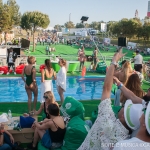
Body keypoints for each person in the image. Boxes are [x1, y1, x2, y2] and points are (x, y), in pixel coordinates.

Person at [78, 48, 146, 150]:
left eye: (124, 107)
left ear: (123, 116)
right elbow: (132, 96)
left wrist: (114, 62)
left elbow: (106, 88)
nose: (121, 108)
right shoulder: (126, 143)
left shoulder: (107, 118)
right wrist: (119, 83)